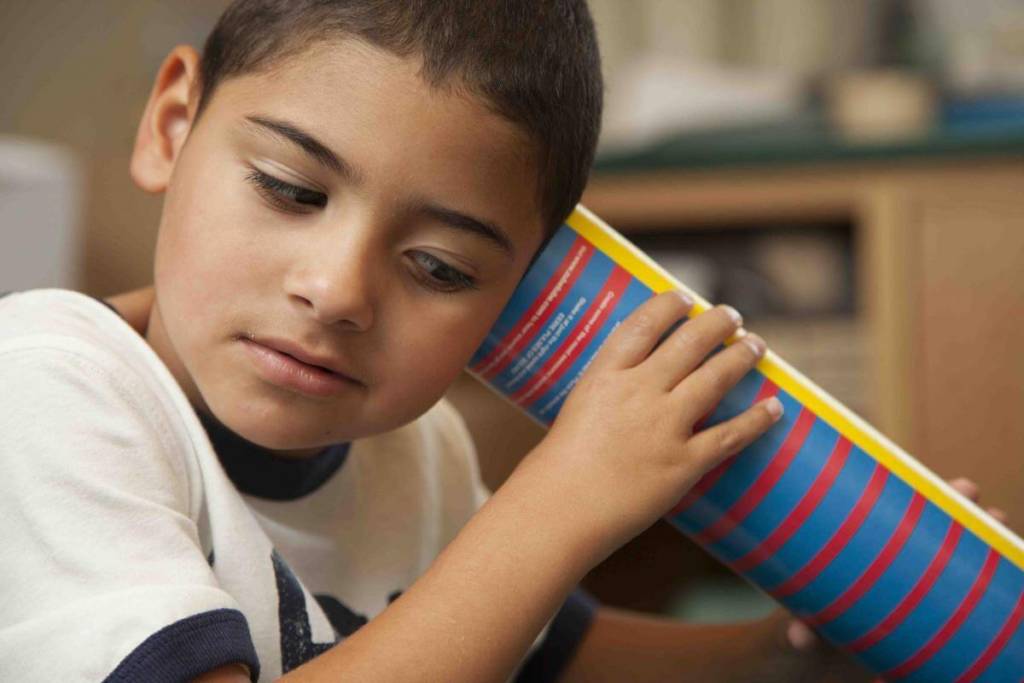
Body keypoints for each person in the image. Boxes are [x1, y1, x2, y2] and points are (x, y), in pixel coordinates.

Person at [0, 1, 1006, 681]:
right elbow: (508, 580)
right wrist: (560, 498)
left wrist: (785, 648)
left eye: (439, 266)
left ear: (519, 300)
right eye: (292, 191)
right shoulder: (49, 386)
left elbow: (551, 650)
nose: (339, 290)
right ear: (173, 127)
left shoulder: (414, 444)